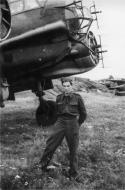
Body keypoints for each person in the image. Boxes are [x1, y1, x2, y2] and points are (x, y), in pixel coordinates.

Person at [39, 77, 87, 180]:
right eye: (64, 86)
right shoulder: (59, 97)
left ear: (71, 86)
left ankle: (73, 173)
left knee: (73, 149)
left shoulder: (78, 97)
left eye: (68, 86)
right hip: (60, 122)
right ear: (62, 86)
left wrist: (77, 124)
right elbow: (57, 112)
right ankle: (42, 167)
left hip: (72, 122)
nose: (66, 88)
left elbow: (83, 114)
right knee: (50, 144)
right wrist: (58, 122)